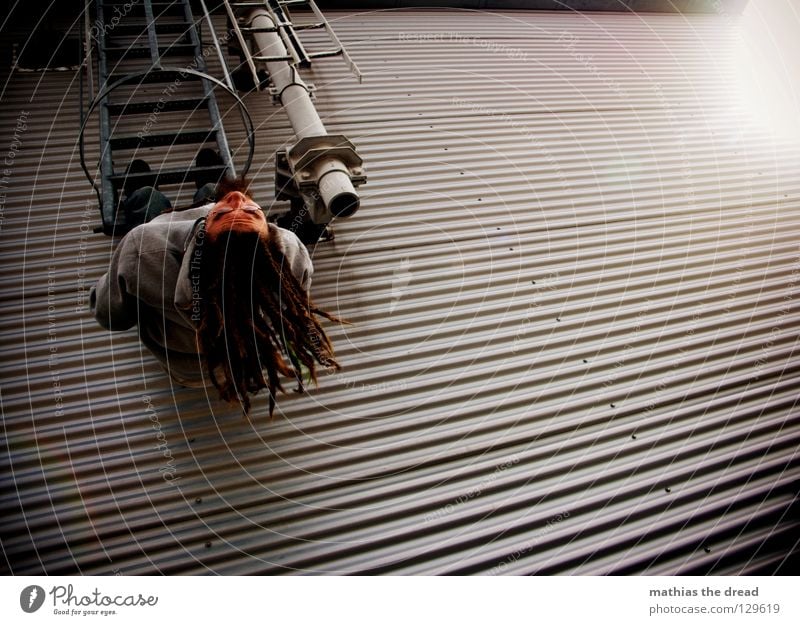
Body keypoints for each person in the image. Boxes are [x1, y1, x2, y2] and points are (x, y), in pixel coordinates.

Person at [90, 177, 340, 416]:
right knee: (212, 189)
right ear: (270, 244)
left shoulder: (144, 248)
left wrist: (109, 285)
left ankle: (142, 185)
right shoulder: (291, 254)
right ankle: (206, 184)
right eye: (253, 212)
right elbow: (295, 304)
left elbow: (111, 316)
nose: (237, 198)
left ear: (205, 242)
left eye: (220, 215)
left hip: (184, 370)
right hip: (223, 370)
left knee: (146, 197)